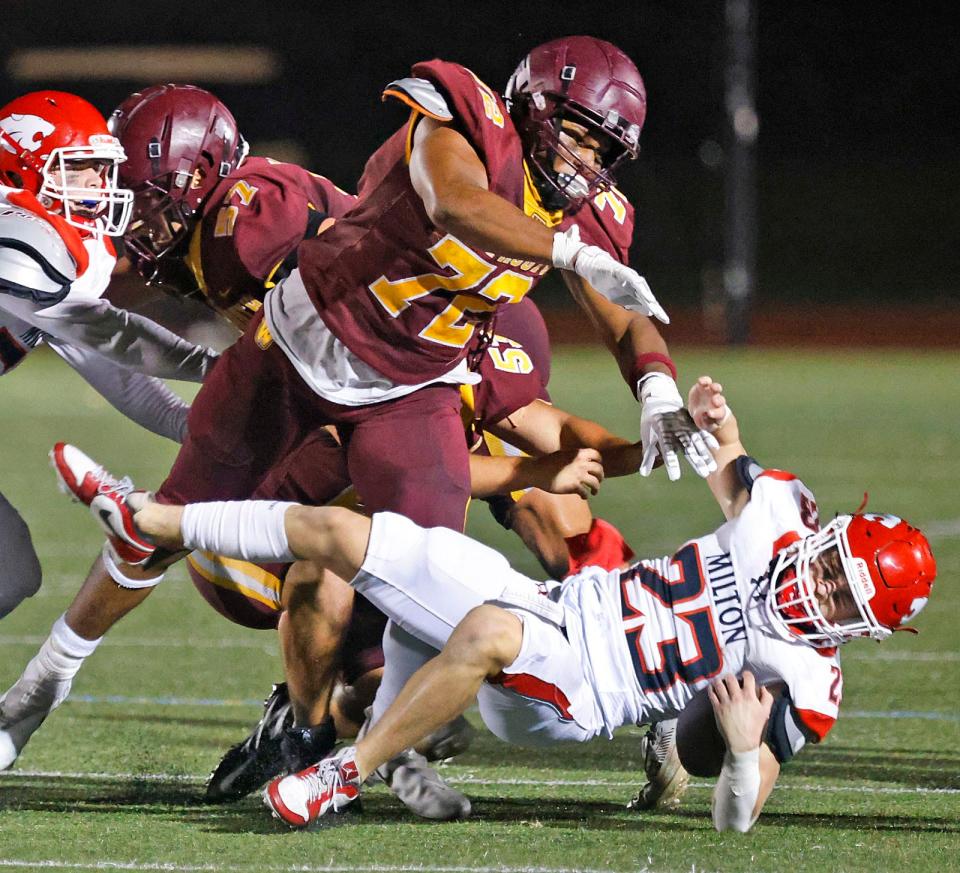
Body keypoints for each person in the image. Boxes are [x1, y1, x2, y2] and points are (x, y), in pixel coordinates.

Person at [0, 35, 718, 798]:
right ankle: (315, 715)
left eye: (601, 147)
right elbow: (454, 202)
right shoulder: (464, 124)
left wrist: (657, 388)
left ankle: (635, 671)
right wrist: (211, 422)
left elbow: (616, 329)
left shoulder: (253, 220)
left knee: (470, 535)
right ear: (537, 109)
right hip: (316, 348)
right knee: (227, 539)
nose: (584, 160)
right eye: (577, 133)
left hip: (434, 370)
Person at [67, 374, 936, 831]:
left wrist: (743, 757)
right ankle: (150, 517)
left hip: (583, 689)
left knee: (485, 631)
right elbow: (724, 452)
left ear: (861, 626)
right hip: (555, 600)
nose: (815, 583)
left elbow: (738, 822)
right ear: (828, 535)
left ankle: (342, 774)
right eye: (830, 564)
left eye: (838, 593)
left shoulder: (807, 680)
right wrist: (711, 413)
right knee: (343, 532)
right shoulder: (779, 512)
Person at [0, 89, 217, 625]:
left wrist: (203, 429)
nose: (100, 186)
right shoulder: (16, 234)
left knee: (10, 572)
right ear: (19, 169)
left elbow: (113, 369)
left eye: (102, 169)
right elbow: (112, 334)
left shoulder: (60, 248)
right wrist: (221, 369)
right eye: (79, 170)